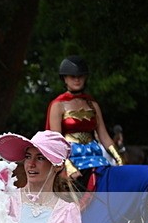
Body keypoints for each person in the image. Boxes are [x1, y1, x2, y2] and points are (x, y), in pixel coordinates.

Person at [45, 55, 122, 192]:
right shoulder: (58, 105)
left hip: (97, 158)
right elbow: (55, 141)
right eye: (72, 76)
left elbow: (104, 136)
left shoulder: (92, 104)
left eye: (80, 76)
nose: (77, 79)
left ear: (85, 77)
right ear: (64, 78)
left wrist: (119, 159)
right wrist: (67, 166)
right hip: (71, 159)